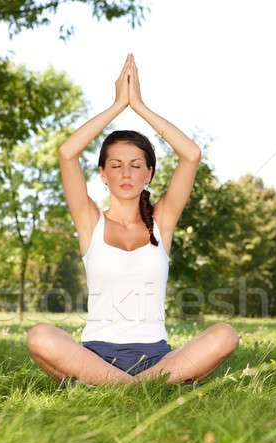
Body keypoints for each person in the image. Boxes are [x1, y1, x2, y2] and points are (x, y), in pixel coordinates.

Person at [27, 54, 239, 387]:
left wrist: (138, 106)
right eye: (116, 165)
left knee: (225, 335)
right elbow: (67, 153)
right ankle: (144, 388)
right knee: (40, 336)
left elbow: (191, 155)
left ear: (149, 174)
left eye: (136, 164)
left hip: (157, 357)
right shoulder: (89, 222)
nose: (126, 172)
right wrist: (117, 106)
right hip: (95, 356)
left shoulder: (162, 221)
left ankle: (114, 386)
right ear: (103, 175)